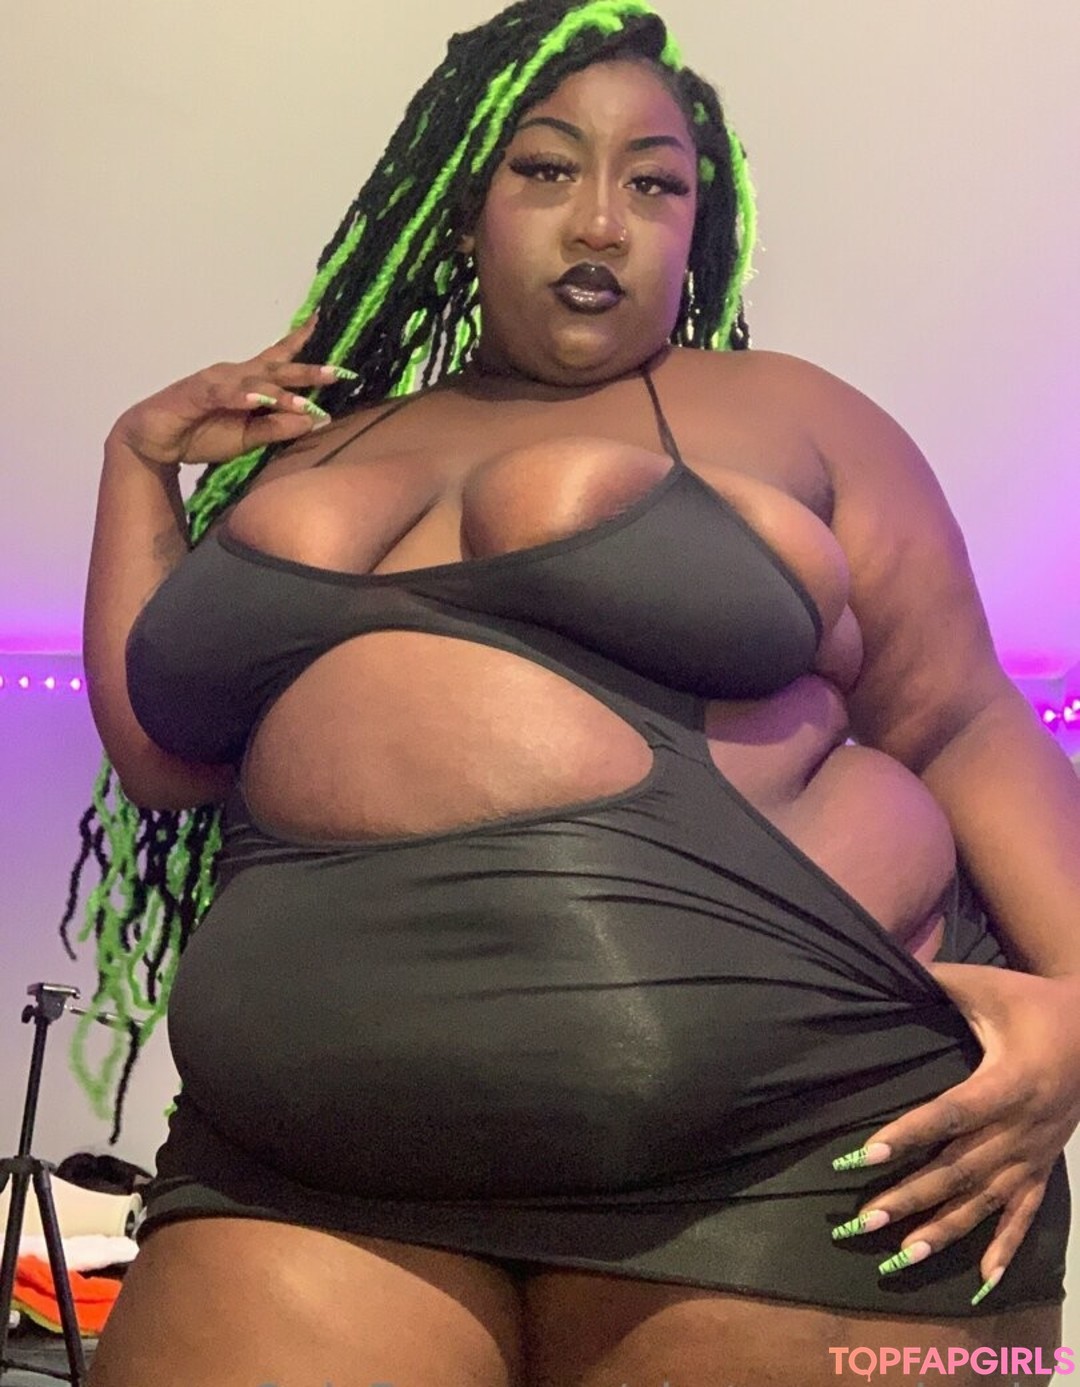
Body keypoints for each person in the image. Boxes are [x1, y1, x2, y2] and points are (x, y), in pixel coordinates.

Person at [71, 1, 1080, 1383]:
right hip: (301, 1170)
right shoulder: (318, 452)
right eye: (546, 169)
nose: (601, 222)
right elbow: (162, 752)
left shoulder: (799, 415)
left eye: (654, 185)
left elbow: (959, 717)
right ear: (462, 206)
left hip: (796, 1157)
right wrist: (136, 463)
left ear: (696, 224)